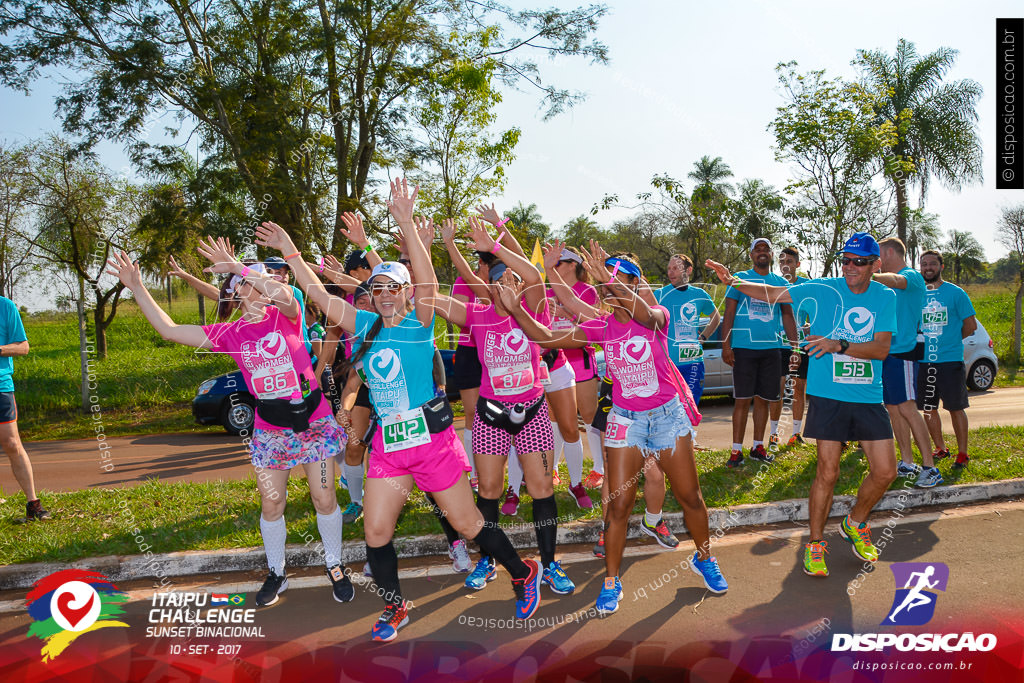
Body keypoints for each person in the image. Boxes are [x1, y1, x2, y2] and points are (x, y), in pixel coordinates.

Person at [256, 179, 542, 641]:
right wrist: (290, 248)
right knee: (375, 533)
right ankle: (395, 607)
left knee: (469, 525)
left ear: (408, 294)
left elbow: (427, 280)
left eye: (395, 288)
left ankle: (521, 571)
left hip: (433, 445)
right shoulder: (364, 323)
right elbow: (317, 292)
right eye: (379, 287)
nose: (386, 294)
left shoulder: (419, 323)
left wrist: (407, 224)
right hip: (390, 448)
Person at [107, 238, 352, 607]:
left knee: (324, 496)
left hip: (312, 423)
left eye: (261, 278)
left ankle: (334, 565)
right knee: (272, 505)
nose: (261, 283)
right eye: (251, 281)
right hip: (271, 430)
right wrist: (138, 288)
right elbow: (170, 330)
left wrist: (240, 267)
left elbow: (284, 291)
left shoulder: (288, 310)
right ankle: (277, 572)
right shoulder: (232, 334)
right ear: (238, 295)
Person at [514, 243, 728, 615]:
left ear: (636, 284)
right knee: (618, 506)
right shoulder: (600, 326)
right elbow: (549, 339)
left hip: (667, 417)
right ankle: (611, 581)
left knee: (690, 496)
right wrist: (517, 308)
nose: (609, 287)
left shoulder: (656, 315)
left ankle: (704, 558)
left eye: (619, 281)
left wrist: (607, 280)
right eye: (606, 282)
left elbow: (644, 311)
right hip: (626, 422)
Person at [707, 231, 899, 578]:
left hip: (869, 397)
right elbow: (774, 292)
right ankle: (814, 543)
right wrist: (733, 280)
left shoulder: (884, 297)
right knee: (828, 471)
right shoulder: (825, 289)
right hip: (829, 396)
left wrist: (837, 344)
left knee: (886, 471)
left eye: (858, 262)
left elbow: (881, 349)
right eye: (846, 260)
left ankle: (855, 522)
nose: (850, 267)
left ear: (875, 265)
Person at [432, 217, 577, 597]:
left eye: (510, 280)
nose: (506, 287)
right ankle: (488, 559)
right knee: (490, 491)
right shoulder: (476, 315)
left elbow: (533, 274)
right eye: (498, 282)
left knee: (542, 487)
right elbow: (427, 295)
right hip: (491, 416)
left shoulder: (532, 309)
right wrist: (435, 243)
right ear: (488, 286)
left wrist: (496, 246)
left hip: (531, 412)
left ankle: (549, 564)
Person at [721, 238, 797, 467]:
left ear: (772, 254)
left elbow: (788, 316)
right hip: (744, 348)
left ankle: (757, 446)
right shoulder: (738, 279)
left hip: (771, 350)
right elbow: (729, 312)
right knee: (742, 400)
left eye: (766, 249)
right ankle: (736, 451)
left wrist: (795, 347)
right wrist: (726, 345)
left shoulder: (779, 282)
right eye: (757, 249)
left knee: (763, 400)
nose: (762, 253)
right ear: (752, 255)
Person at [874, 237, 940, 488]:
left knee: (908, 408)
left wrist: (870, 273)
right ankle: (907, 462)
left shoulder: (911, 276)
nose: (876, 262)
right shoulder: (886, 284)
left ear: (890, 252)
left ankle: (930, 467)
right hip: (887, 353)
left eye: (878, 256)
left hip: (904, 353)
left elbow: (895, 280)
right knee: (893, 409)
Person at [918, 250, 976, 470]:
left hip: (950, 361)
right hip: (924, 362)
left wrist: (949, 340)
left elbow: (970, 326)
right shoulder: (917, 295)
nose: (928, 267)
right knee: (928, 408)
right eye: (924, 264)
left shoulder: (955, 293)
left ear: (941, 267)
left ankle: (962, 453)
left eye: (932, 263)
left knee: (955, 407)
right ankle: (941, 448)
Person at [0, 295, 48, 521]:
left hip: (1, 386)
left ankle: (33, 504)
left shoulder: (5, 306)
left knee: (11, 443)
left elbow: (23, 347)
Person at [654, 254, 720, 406]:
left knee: (690, 410)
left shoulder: (699, 294)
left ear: (688, 270)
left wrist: (703, 337)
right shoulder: (659, 295)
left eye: (676, 268)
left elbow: (715, 317)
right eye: (669, 268)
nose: (671, 273)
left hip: (693, 364)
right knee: (669, 412)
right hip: (667, 365)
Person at [770, 246, 811, 447]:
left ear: (797, 264)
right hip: (777, 345)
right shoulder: (773, 284)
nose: (785, 266)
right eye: (782, 262)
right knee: (776, 390)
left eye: (789, 262)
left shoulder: (807, 286)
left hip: (800, 346)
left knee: (798, 389)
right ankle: (773, 434)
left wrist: (809, 327)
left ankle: (796, 434)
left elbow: (816, 317)